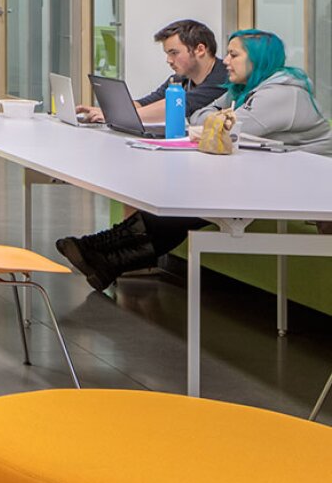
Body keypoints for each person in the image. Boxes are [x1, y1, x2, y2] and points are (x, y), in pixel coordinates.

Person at [56, 28, 330, 290]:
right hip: (276, 174)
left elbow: (224, 127)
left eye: (234, 55)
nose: (226, 61)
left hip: (310, 185)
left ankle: (102, 251)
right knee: (199, 201)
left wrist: (213, 120)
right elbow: (203, 116)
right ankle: (105, 255)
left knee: (202, 201)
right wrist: (213, 119)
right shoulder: (245, 89)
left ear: (257, 60)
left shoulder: (282, 93)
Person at [78, 18, 227, 127]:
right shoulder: (178, 80)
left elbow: (178, 105)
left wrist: (118, 116)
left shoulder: (223, 78)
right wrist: (107, 111)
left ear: (200, 50)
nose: (168, 60)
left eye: (174, 53)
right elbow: (145, 103)